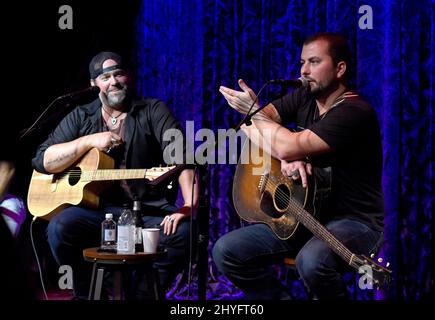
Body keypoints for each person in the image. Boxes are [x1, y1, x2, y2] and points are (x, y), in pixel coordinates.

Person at [213, 32, 385, 299]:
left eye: (314, 62)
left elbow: (264, 127)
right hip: (304, 214)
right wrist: (285, 156)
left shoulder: (354, 112)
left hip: (354, 222)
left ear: (340, 69)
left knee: (311, 261)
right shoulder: (305, 96)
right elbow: (251, 126)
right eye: (302, 62)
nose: (304, 70)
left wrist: (284, 145)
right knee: (226, 251)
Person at [32, 51, 199, 300]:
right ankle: (90, 294)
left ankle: (142, 295)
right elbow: (43, 160)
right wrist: (89, 141)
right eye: (105, 77)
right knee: (60, 227)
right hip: (97, 213)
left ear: (127, 76)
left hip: (146, 213)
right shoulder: (81, 116)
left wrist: (189, 205)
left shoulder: (152, 110)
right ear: (93, 83)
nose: (114, 82)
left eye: (118, 74)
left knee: (186, 233)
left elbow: (184, 159)